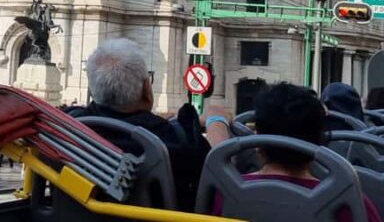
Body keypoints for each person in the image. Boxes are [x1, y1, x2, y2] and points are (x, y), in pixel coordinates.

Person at [66, 38, 231, 212]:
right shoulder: (175, 139)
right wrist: (216, 121)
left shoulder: (70, 125)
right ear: (146, 89)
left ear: (92, 90)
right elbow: (218, 169)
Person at [212, 83, 381, 222]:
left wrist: (216, 121)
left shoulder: (224, 195)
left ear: (258, 140)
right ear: (319, 142)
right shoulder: (350, 202)